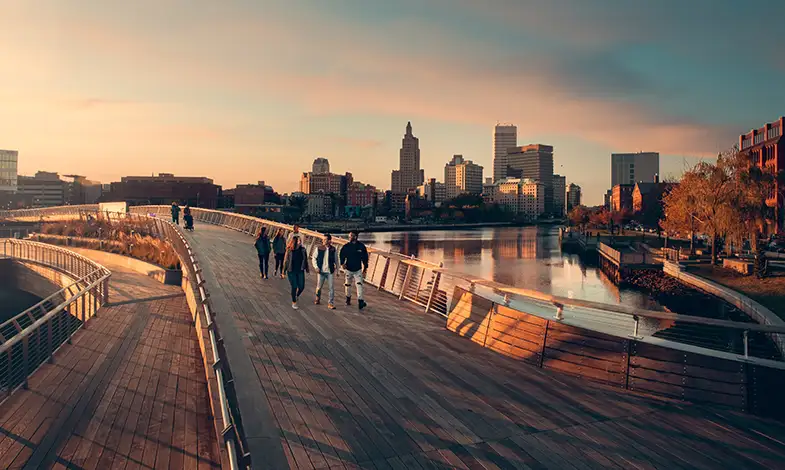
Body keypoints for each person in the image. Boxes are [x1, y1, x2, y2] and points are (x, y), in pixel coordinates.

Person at [339, 230, 369, 310]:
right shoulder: (346, 246)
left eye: (351, 236)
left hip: (358, 269)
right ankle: (348, 298)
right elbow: (341, 255)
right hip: (348, 269)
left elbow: (365, 258)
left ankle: (360, 301)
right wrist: (342, 263)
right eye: (349, 236)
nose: (349, 237)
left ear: (355, 237)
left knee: (359, 285)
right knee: (347, 285)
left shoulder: (361, 246)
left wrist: (365, 268)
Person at [312, 234, 337, 309]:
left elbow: (336, 260)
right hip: (321, 271)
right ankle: (317, 298)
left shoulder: (333, 249)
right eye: (323, 239)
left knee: (331, 288)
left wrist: (338, 271)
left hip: (330, 272)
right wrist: (316, 267)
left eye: (325, 239)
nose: (323, 241)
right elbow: (314, 258)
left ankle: (330, 303)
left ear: (329, 241)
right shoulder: (319, 248)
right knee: (319, 287)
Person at [284, 236, 309, 309]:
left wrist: (307, 268)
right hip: (291, 270)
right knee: (294, 286)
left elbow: (305, 259)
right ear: (294, 242)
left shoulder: (303, 250)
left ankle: (296, 295)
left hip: (300, 270)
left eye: (300, 241)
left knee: (301, 286)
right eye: (298, 241)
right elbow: (286, 260)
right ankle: (294, 302)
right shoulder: (289, 250)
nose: (300, 242)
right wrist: (283, 271)